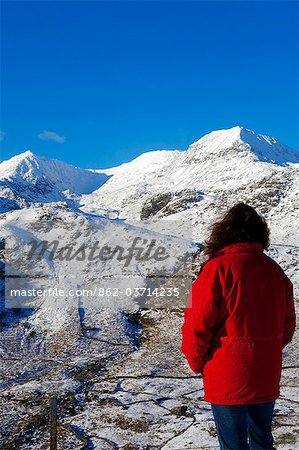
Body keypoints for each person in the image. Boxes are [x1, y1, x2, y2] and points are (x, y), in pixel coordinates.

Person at [181, 202, 296, 450]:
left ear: (222, 234)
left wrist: (198, 362)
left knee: (233, 446)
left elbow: (195, 324)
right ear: (261, 235)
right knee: (262, 441)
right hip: (265, 373)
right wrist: (265, 351)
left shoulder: (214, 271)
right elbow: (287, 327)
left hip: (226, 375)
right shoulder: (277, 273)